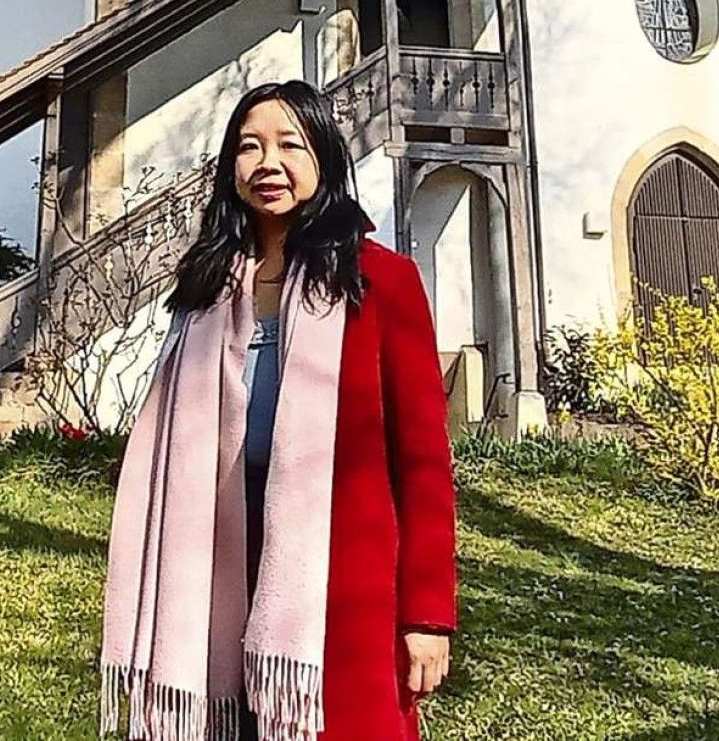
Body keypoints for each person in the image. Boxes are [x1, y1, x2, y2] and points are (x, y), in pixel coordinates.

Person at [98, 79, 458, 741]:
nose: (267, 163)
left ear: (322, 157)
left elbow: (425, 466)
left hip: (342, 588)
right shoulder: (205, 291)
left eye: (289, 144)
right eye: (248, 147)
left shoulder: (381, 283)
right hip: (214, 566)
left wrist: (427, 616)